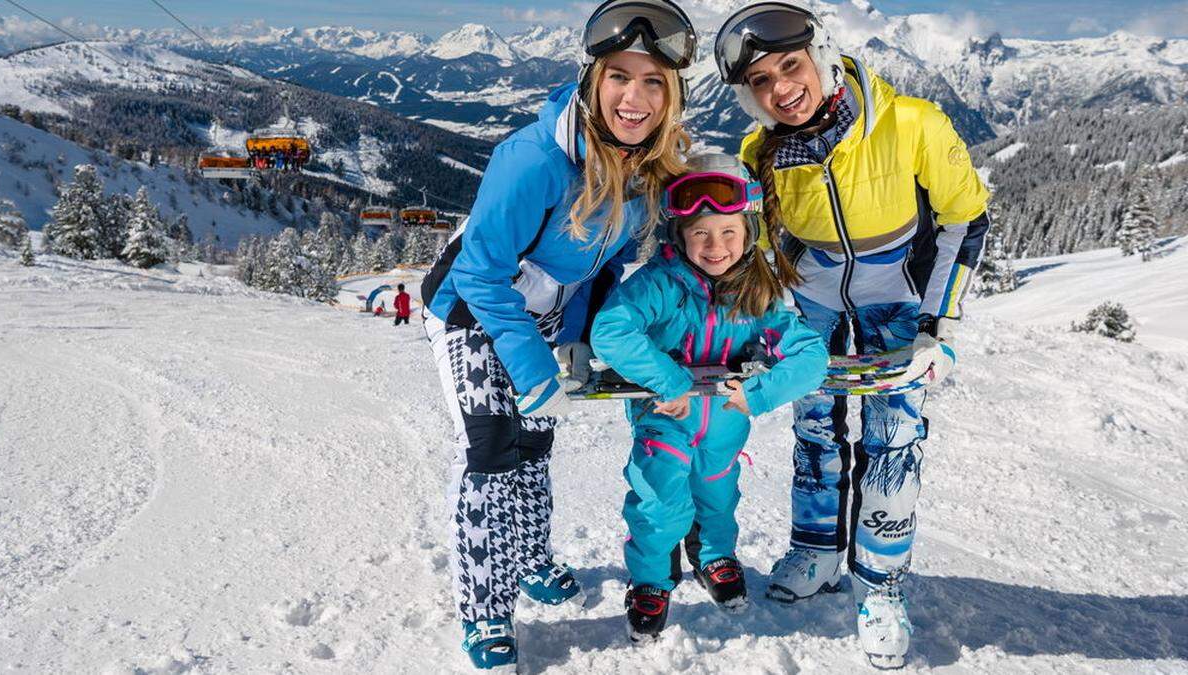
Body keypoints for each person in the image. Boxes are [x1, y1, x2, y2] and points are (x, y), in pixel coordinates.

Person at [419, 0, 697, 669]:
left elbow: (604, 266)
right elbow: (483, 274)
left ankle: (532, 559)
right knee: (494, 449)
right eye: (620, 77)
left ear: (672, 95)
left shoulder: (643, 168)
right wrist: (534, 371)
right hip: (473, 307)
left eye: (653, 81)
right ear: (593, 80)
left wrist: (579, 341)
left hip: (545, 311)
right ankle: (487, 612)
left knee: (536, 443)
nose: (635, 96)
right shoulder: (535, 159)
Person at [713, 2, 991, 668]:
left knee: (893, 437)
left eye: (790, 65)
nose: (781, 87)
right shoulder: (764, 152)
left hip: (896, 301)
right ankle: (815, 550)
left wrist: (937, 321)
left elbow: (966, 218)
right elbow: (755, 248)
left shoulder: (912, 126)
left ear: (823, 55)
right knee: (814, 427)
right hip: (811, 303)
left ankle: (881, 581)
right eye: (761, 82)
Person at [591, 154, 828, 642]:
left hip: (725, 419)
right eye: (700, 232)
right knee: (659, 499)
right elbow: (610, 332)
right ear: (678, 235)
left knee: (718, 493)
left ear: (749, 234)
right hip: (666, 416)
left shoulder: (756, 293)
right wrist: (669, 380)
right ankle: (651, 581)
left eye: (728, 233)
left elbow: (811, 357)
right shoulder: (659, 284)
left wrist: (759, 393)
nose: (715, 246)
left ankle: (714, 554)